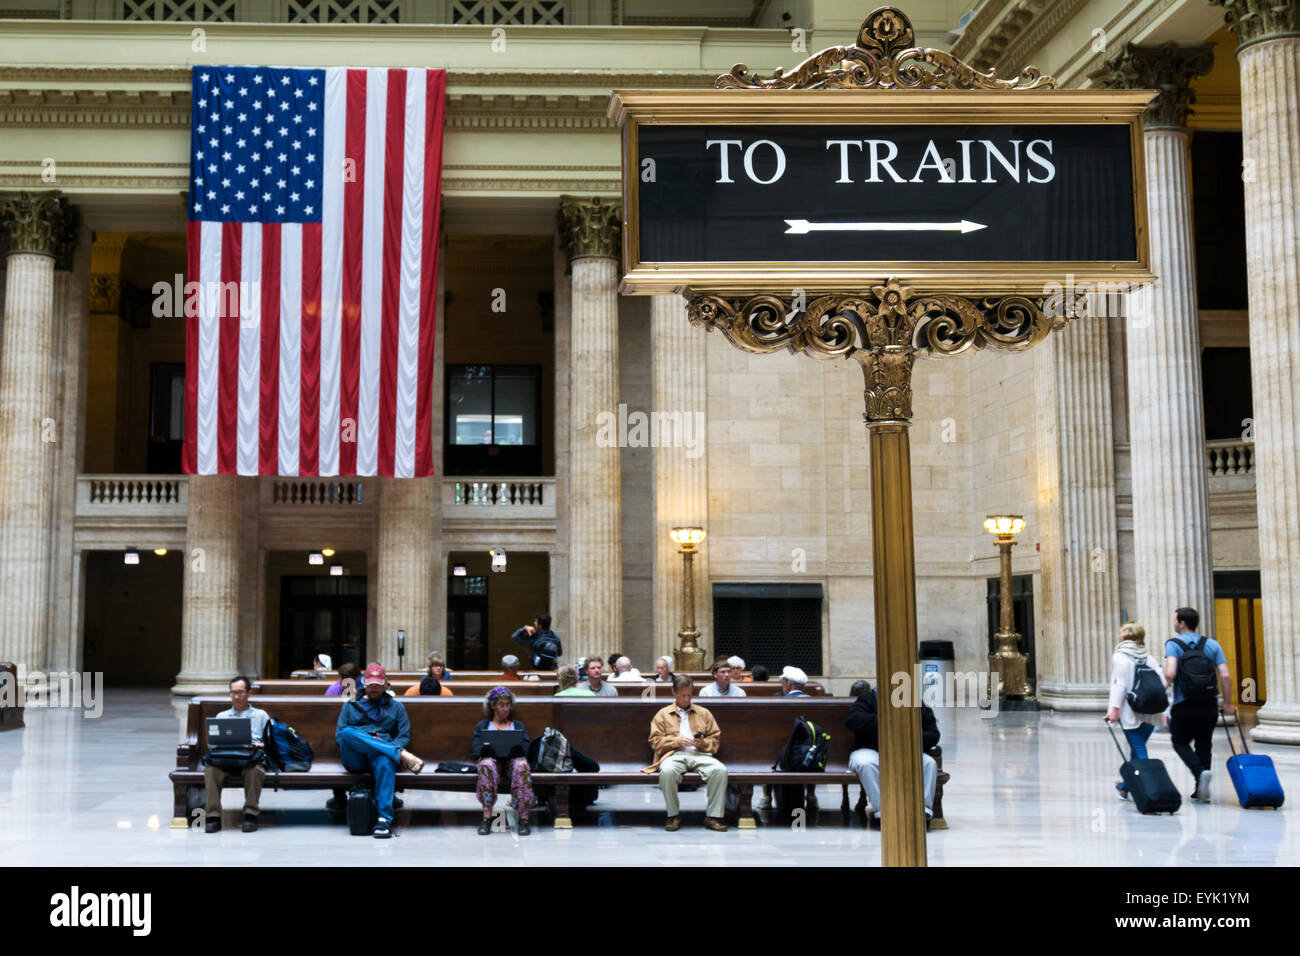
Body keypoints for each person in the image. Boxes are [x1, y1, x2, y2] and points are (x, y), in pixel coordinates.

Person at [335, 664, 425, 838]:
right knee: (347, 733)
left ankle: (384, 820)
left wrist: (381, 745)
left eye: (378, 685)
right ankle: (398, 753)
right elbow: (340, 737)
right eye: (371, 685)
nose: (374, 688)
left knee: (385, 761)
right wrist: (369, 741)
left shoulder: (396, 707)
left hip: (380, 756)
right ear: (364, 684)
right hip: (355, 757)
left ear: (385, 684)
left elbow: (403, 736)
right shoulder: (350, 705)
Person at [845, 682, 940, 828]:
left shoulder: (915, 703)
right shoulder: (868, 698)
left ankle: (923, 811)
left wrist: (909, 735)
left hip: (906, 750)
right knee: (866, 763)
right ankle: (881, 812)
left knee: (928, 763)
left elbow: (933, 733)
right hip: (869, 750)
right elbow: (852, 720)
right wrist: (885, 720)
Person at [1164, 606, 1235, 802]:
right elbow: (1226, 676)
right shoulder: (1212, 644)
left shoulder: (1173, 644)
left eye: (1175, 620)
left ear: (1182, 623)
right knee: (1205, 745)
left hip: (1184, 703)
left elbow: (1170, 673)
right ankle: (1200, 790)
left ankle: (1199, 772)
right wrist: (1228, 703)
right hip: (1209, 703)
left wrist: (1160, 687)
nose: (1174, 623)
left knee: (1179, 742)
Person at [643, 676, 728, 831]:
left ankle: (713, 816)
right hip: (673, 755)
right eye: (683, 695)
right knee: (667, 772)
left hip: (700, 755)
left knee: (720, 770)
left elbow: (715, 741)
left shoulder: (704, 713)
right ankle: (673, 815)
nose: (687, 699)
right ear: (673, 693)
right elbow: (655, 742)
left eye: (689, 695)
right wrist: (677, 741)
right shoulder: (662, 714)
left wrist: (702, 743)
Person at [1105, 622, 1170, 799]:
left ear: (1126, 636)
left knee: (1140, 750)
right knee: (1136, 749)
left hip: (1130, 711)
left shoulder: (1120, 656)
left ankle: (1151, 789)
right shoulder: (1148, 657)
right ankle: (1126, 786)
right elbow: (1163, 683)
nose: (1118, 635)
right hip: (1152, 711)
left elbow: (1121, 685)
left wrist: (1114, 710)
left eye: (1120, 632)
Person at [203, 676, 270, 833]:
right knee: (211, 770)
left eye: (240, 692)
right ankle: (213, 816)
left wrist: (261, 744)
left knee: (255, 771)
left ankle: (250, 814)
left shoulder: (261, 715)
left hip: (250, 758)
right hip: (226, 757)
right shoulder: (222, 716)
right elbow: (213, 743)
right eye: (233, 693)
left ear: (249, 693)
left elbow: (270, 742)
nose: (236, 697)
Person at [472, 687, 534, 836]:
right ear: (493, 706)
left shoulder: (518, 726)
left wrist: (517, 749)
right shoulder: (483, 726)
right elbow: (475, 750)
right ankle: (487, 818)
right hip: (493, 763)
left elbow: (527, 748)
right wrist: (487, 750)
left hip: (512, 763)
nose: (505, 708)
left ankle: (524, 819)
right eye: (501, 705)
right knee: (486, 764)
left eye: (507, 704)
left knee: (522, 765)